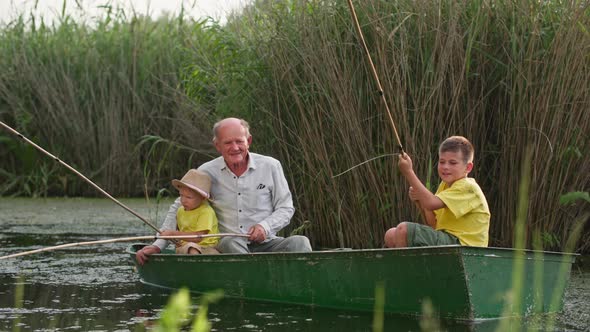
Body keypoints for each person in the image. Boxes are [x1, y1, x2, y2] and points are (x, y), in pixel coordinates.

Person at [136, 117, 311, 264]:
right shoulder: (206, 171)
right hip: (228, 246)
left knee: (300, 242)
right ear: (217, 145)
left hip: (268, 242)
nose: (235, 148)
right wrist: (158, 245)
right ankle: (252, 279)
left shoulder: (271, 166)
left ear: (248, 141)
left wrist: (264, 227)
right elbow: (179, 206)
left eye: (239, 141)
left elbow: (286, 208)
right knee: (231, 241)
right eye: (228, 143)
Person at [384, 136, 490, 248]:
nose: (445, 167)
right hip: (449, 240)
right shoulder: (444, 185)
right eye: (442, 162)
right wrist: (420, 201)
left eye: (452, 163)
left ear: (468, 167)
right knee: (391, 235)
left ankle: (405, 266)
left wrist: (408, 172)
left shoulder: (468, 187)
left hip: (465, 246)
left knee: (403, 229)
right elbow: (434, 224)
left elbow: (431, 203)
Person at [159, 169, 220, 255]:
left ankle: (199, 266)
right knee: (189, 247)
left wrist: (173, 234)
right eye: (181, 195)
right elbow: (181, 230)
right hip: (186, 247)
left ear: (202, 198)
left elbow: (198, 237)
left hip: (207, 247)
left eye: (189, 197)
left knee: (203, 251)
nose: (183, 200)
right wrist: (175, 239)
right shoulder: (180, 210)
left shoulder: (206, 212)